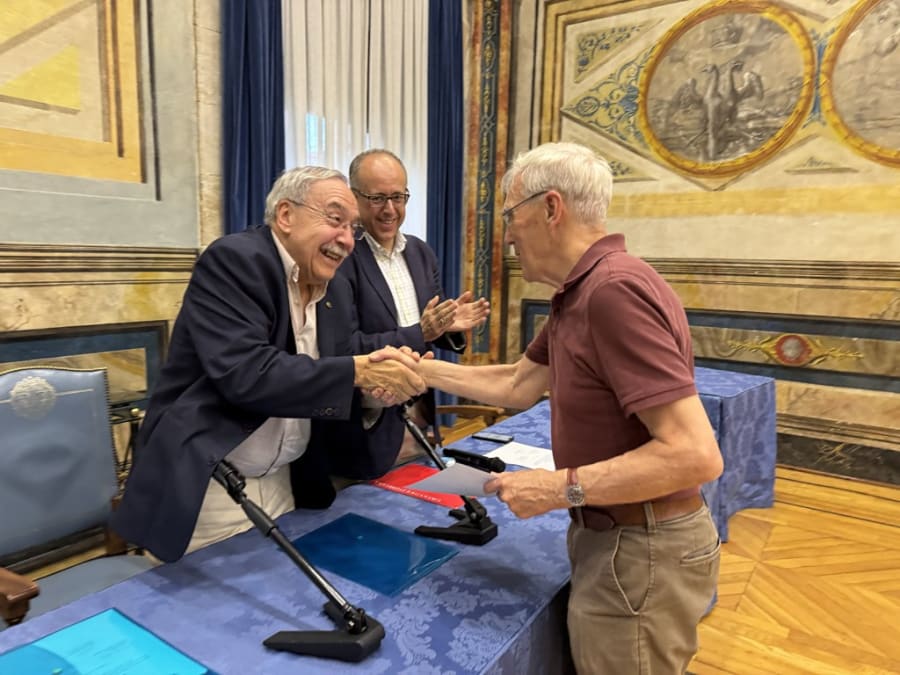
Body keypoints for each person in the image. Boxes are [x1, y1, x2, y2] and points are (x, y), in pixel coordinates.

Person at [417, 142, 723, 673]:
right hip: (619, 538)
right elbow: (517, 383)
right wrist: (420, 371)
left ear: (551, 208)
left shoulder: (613, 291)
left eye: (512, 215)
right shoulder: (579, 291)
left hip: (641, 545)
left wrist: (558, 488)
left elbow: (695, 454)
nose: (508, 233)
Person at [111, 166, 426, 563]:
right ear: (285, 215)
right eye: (334, 219)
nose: (346, 240)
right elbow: (248, 371)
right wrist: (358, 371)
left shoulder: (337, 289)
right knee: (205, 617)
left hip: (289, 483)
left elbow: (334, 375)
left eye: (352, 227)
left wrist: (373, 394)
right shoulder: (235, 261)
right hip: (212, 486)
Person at [329, 149, 489, 478]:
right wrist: (422, 331)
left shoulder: (420, 252)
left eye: (399, 197)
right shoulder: (339, 257)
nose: (390, 209)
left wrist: (450, 326)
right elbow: (345, 348)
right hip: (365, 431)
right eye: (378, 198)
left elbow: (432, 322)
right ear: (354, 197)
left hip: (420, 422)